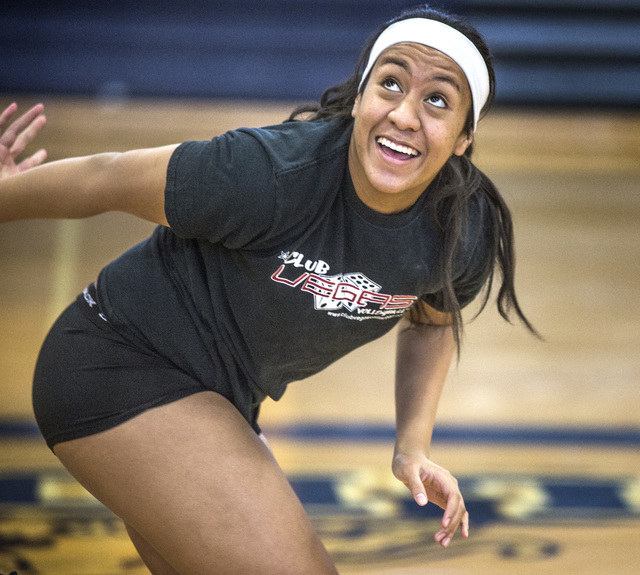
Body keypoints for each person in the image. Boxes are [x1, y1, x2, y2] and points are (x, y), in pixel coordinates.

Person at [0, 5, 537, 574]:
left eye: (437, 100)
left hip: (221, 402)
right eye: (390, 83)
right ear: (360, 98)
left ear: (463, 137)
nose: (405, 114)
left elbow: (431, 323)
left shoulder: (462, 229)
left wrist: (412, 445)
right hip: (120, 367)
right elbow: (105, 177)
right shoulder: (268, 173)